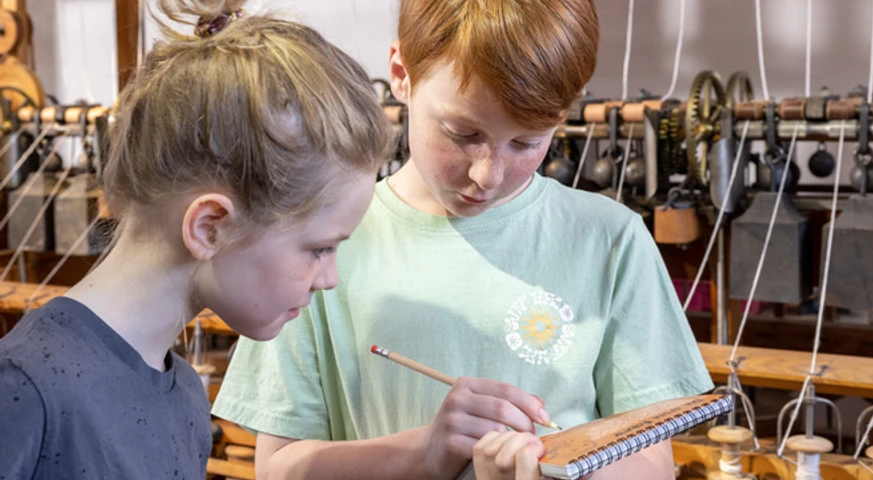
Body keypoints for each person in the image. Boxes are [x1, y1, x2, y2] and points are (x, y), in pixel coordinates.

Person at [212, 0, 713, 479]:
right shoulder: (322, 242)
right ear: (402, 74)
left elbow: (652, 464)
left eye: (526, 142)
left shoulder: (610, 240)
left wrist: (561, 471)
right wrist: (423, 456)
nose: (487, 175)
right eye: (462, 133)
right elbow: (279, 467)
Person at [0, 0, 394, 478]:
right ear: (210, 226)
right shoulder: (25, 393)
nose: (329, 278)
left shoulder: (184, 396)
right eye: (320, 249)